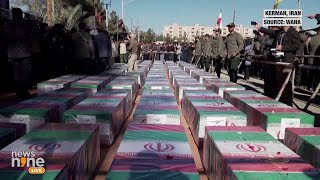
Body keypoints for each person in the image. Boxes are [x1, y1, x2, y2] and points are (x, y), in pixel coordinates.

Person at [5, 8, 34, 100]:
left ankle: (19, 92)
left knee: (16, 74)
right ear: (20, 14)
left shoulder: (8, 25)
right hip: (25, 52)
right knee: (25, 74)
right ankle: (24, 92)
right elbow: (32, 34)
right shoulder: (26, 24)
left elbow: (5, 38)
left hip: (13, 54)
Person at [275, 26, 301, 106]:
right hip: (280, 60)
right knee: (280, 82)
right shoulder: (281, 32)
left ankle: (288, 103)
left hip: (288, 61)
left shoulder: (293, 31)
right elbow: (271, 32)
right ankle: (282, 102)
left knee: (287, 83)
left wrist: (283, 47)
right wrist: (259, 28)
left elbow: (297, 45)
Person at [257, 25, 284, 99]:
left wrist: (260, 36)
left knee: (271, 80)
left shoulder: (275, 38)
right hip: (267, 62)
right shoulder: (272, 37)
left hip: (271, 62)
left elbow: (265, 42)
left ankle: (271, 95)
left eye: (272, 27)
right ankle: (268, 93)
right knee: (267, 80)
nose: (270, 29)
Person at [308, 26, 320, 91]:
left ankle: (308, 87)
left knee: (310, 74)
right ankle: (316, 88)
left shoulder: (312, 39)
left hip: (310, 58)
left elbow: (307, 48)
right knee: (317, 75)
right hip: (318, 60)